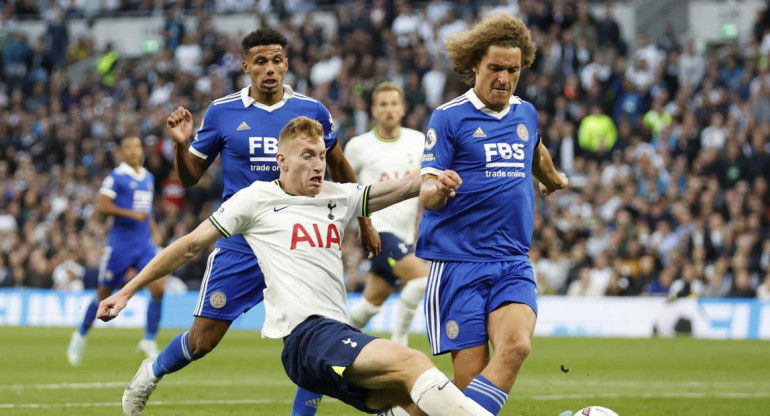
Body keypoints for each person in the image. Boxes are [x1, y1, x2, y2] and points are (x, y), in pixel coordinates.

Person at [98, 117, 494, 416]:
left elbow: (402, 187)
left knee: (416, 401)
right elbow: (187, 246)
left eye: (322, 156)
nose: (319, 165)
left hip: (332, 337)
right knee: (414, 362)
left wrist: (434, 176)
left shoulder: (338, 196)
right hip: (307, 338)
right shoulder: (256, 199)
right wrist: (126, 290)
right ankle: (152, 372)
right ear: (281, 161)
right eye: (308, 156)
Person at [125, 28, 379, 416]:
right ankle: (153, 371)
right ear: (246, 66)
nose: (270, 69)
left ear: (287, 63)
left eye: (277, 60)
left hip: (298, 240)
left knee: (313, 337)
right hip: (242, 239)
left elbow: (341, 168)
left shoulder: (312, 110)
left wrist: (364, 223)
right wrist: (180, 144)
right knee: (203, 340)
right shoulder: (224, 111)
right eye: (260, 61)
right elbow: (191, 176)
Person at [417, 13, 569, 416]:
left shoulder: (526, 114)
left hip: (511, 261)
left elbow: (534, 149)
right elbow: (427, 192)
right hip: (458, 264)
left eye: (513, 70)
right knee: (464, 396)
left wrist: (553, 179)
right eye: (495, 69)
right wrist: (439, 188)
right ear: (474, 67)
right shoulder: (448, 118)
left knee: (517, 346)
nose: (504, 78)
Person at [67, 136, 165, 367]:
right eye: (129, 148)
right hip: (120, 247)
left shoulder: (148, 177)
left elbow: (147, 210)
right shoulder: (116, 177)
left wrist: (154, 230)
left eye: (137, 147)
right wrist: (132, 215)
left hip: (144, 245)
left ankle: (149, 340)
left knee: (159, 288)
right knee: (103, 294)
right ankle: (80, 335)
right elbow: (103, 206)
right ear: (121, 153)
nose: (134, 151)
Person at [345, 82, 429, 346]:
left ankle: (337, 342)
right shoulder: (358, 146)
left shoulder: (418, 142)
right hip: (378, 232)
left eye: (394, 103)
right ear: (374, 110)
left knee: (371, 302)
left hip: (404, 234)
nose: (389, 109)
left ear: (403, 108)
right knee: (423, 280)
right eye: (383, 104)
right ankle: (400, 342)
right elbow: (344, 187)